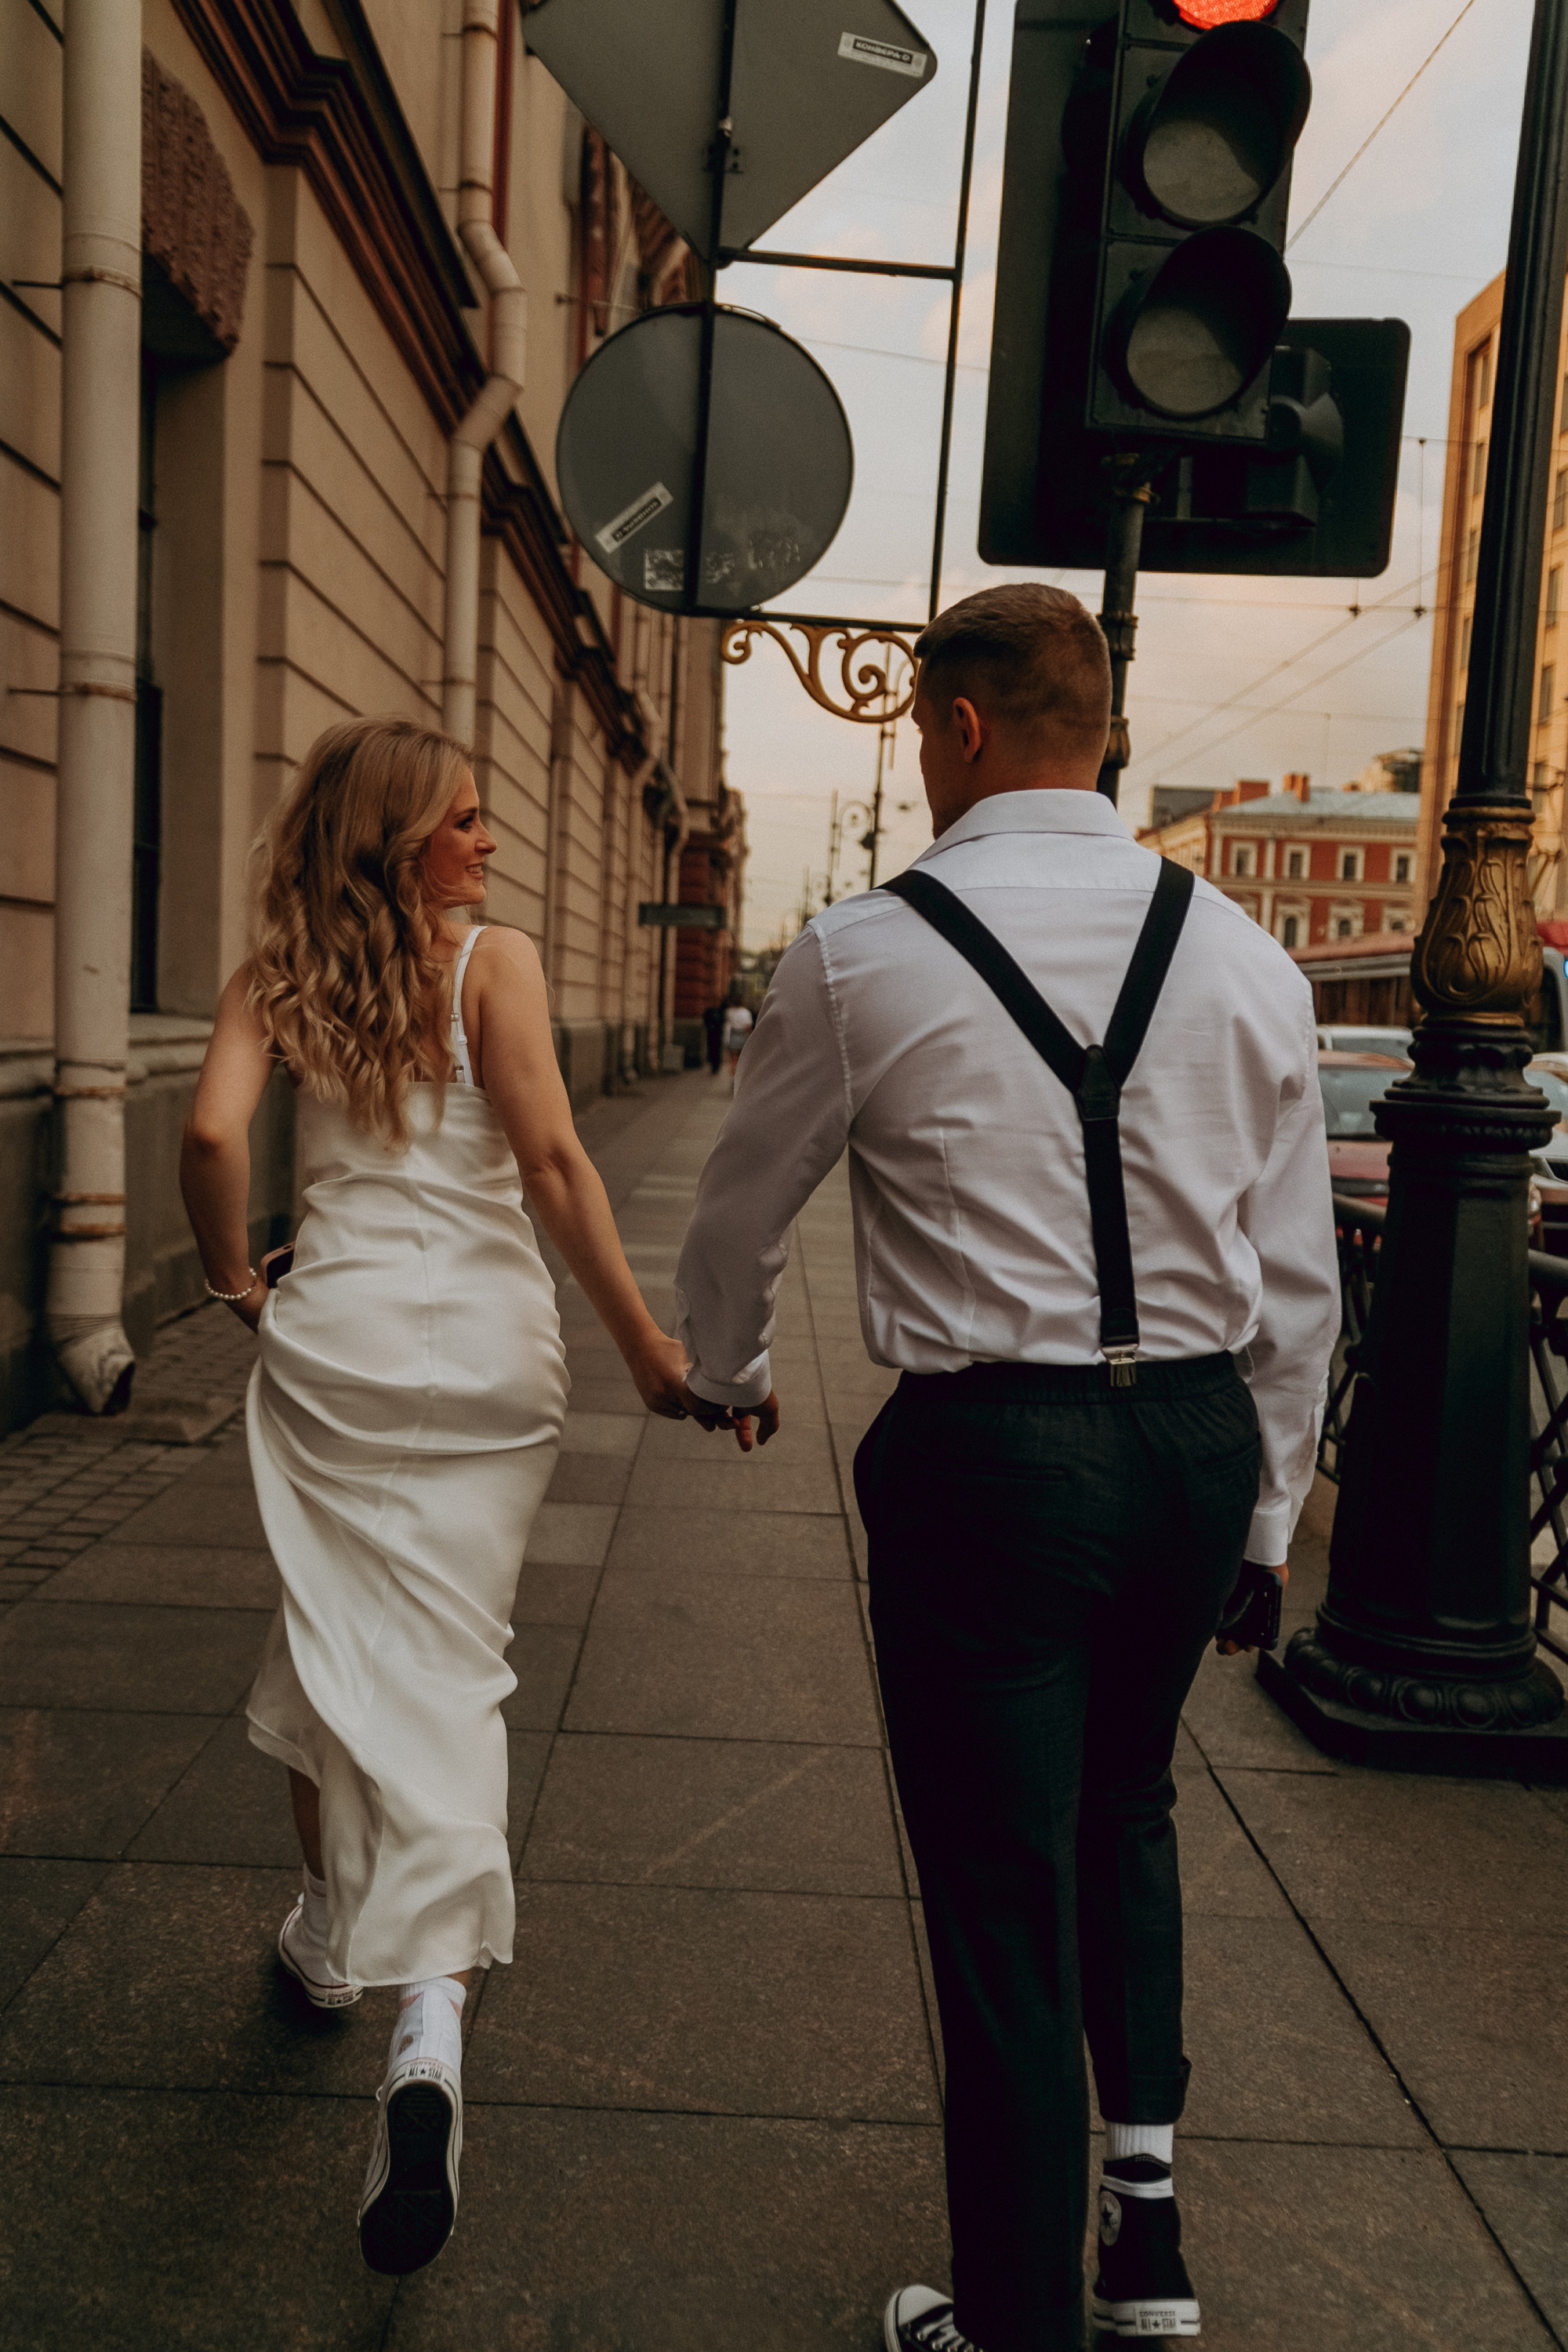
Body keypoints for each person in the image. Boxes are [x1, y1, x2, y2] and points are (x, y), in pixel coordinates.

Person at [672, 585, 1340, 2351]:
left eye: (917, 733)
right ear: (1099, 725)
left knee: (994, 1890)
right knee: (1126, 1808)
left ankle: (1011, 2327)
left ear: (961, 729)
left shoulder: (865, 948)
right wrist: (1265, 1514)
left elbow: (744, 1207)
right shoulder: (1244, 953)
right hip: (1195, 1440)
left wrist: (723, 1371)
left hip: (990, 1459)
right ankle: (1147, 2241)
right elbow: (1296, 1284)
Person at [178, 717, 727, 2278]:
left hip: (335, 1353)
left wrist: (233, 1282)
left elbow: (213, 1130)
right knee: (422, 1673)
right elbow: (553, 1162)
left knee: (355, 1663)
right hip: (492, 1368)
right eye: (467, 821)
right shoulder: (494, 966)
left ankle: (388, 1986)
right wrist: (647, 1351)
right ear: (404, 840)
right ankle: (368, 1970)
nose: (489, 843)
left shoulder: (277, 971)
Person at [721, 995, 753, 1087]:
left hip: (733, 1036)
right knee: (742, 1060)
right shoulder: (746, 1012)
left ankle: (733, 1079)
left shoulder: (729, 1012)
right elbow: (748, 1026)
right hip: (743, 1036)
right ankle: (740, 1080)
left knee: (733, 1060)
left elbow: (728, 1024)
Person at [702, 999, 727, 1076]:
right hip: (711, 1033)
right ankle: (714, 1065)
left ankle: (717, 1065)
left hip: (717, 1033)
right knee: (712, 1049)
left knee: (717, 1049)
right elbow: (705, 1020)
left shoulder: (721, 1011)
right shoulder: (709, 1011)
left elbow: (723, 1021)